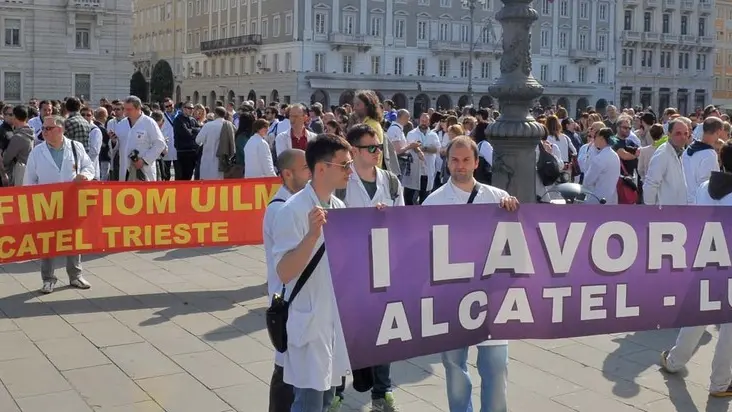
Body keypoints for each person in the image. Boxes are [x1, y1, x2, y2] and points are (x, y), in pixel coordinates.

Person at [422, 136, 519, 412]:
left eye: (466, 160)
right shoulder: (433, 203)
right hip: (451, 299)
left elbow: (515, 248)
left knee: (497, 368)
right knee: (454, 367)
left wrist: (514, 215)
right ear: (447, 161)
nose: (460, 165)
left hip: (491, 299)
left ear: (476, 163)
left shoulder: (498, 198)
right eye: (454, 159)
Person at [272, 134, 353, 412]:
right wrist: (311, 236)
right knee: (308, 403)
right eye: (344, 165)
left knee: (328, 400)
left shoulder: (339, 207)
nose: (350, 171)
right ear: (321, 168)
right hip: (308, 323)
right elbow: (283, 272)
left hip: (333, 322)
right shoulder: (292, 210)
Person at [660, 140, 732, 397]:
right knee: (729, 327)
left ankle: (675, 360)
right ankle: (720, 382)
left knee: (701, 314)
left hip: (706, 260)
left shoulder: (704, 187)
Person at [263, 149, 313, 412]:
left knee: (294, 369)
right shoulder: (280, 209)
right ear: (287, 174)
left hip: (300, 297)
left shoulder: (298, 203)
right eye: (306, 168)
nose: (311, 172)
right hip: (288, 298)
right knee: (286, 370)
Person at [23, 115, 95, 294]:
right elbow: (29, 180)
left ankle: (75, 275)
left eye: (49, 128)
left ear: (60, 129)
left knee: (73, 239)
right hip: (46, 204)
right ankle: (48, 279)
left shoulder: (75, 147)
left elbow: (89, 167)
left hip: (71, 202)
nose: (44, 132)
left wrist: (85, 176)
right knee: (48, 241)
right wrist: (31, 204)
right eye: (43, 129)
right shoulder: (37, 152)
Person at [114, 96, 167, 181]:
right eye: (125, 109)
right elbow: (117, 146)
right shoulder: (121, 124)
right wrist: (113, 141)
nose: (125, 112)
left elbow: (160, 144)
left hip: (143, 169)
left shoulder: (149, 123)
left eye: (129, 109)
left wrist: (144, 160)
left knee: (144, 193)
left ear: (138, 108)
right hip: (125, 169)